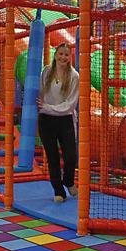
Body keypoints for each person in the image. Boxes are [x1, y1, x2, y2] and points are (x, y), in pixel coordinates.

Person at [37, 43, 79, 202]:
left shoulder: (74, 76)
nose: (63, 57)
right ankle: (58, 191)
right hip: (46, 120)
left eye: (66, 55)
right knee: (52, 157)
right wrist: (41, 109)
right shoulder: (46, 71)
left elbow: (70, 104)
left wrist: (48, 107)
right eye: (60, 54)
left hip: (65, 119)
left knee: (70, 157)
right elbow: (41, 92)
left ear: (70, 57)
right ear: (55, 55)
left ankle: (68, 181)